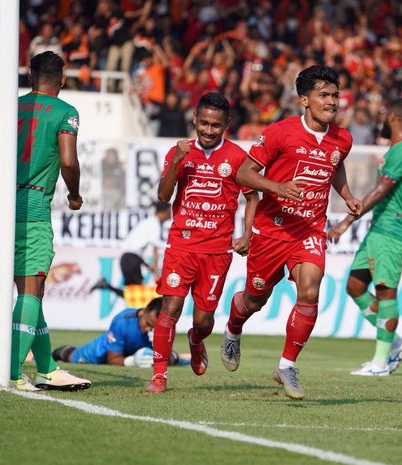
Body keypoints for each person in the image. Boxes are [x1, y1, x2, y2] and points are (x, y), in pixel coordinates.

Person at [221, 65, 362, 400]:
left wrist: (347, 195)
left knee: (311, 290)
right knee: (255, 299)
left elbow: (335, 165)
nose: (331, 102)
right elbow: (244, 174)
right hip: (272, 230)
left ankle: (286, 364)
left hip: (309, 229)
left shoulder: (342, 138)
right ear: (304, 100)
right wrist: (278, 187)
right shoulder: (279, 133)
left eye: (335, 95)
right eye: (323, 95)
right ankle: (233, 327)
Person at [0, 51, 90, 391]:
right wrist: (74, 194)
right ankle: (11, 372)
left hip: (0, 211)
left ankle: (47, 368)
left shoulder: (8, 108)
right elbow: (69, 161)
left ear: (30, 78)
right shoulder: (66, 113)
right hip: (32, 209)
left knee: (31, 289)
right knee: (31, 289)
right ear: (62, 80)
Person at [146, 92, 259, 393]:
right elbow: (162, 195)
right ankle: (159, 376)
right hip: (181, 243)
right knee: (171, 304)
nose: (209, 131)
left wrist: (247, 234)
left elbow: (252, 198)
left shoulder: (237, 157)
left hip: (217, 249)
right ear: (194, 120)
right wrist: (178, 162)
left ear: (227, 125)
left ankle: (196, 339)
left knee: (204, 319)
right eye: (204, 124)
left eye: (216, 125)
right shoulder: (179, 151)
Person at [327, 98, 402, 376]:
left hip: (391, 229)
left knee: (385, 291)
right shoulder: (397, 151)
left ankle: (381, 364)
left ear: (392, 117)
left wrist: (345, 222)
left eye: (383, 116)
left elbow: (381, 190)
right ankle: (397, 343)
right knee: (355, 286)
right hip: (382, 229)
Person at [51, 297, 187, 367]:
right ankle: (44, 356)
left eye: (152, 328)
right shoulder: (123, 321)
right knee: (69, 355)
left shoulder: (161, 328)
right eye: (147, 324)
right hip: (98, 353)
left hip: (129, 353)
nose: (148, 330)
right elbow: (113, 359)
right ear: (144, 311)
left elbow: (167, 356)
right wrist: (132, 362)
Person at [92, 201, 170, 308]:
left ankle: (106, 285)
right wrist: (155, 271)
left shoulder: (147, 222)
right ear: (164, 212)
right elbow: (154, 248)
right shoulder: (154, 224)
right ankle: (141, 318)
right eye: (169, 212)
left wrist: (149, 267)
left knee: (132, 294)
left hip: (126, 258)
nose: (170, 215)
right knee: (139, 294)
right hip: (131, 259)